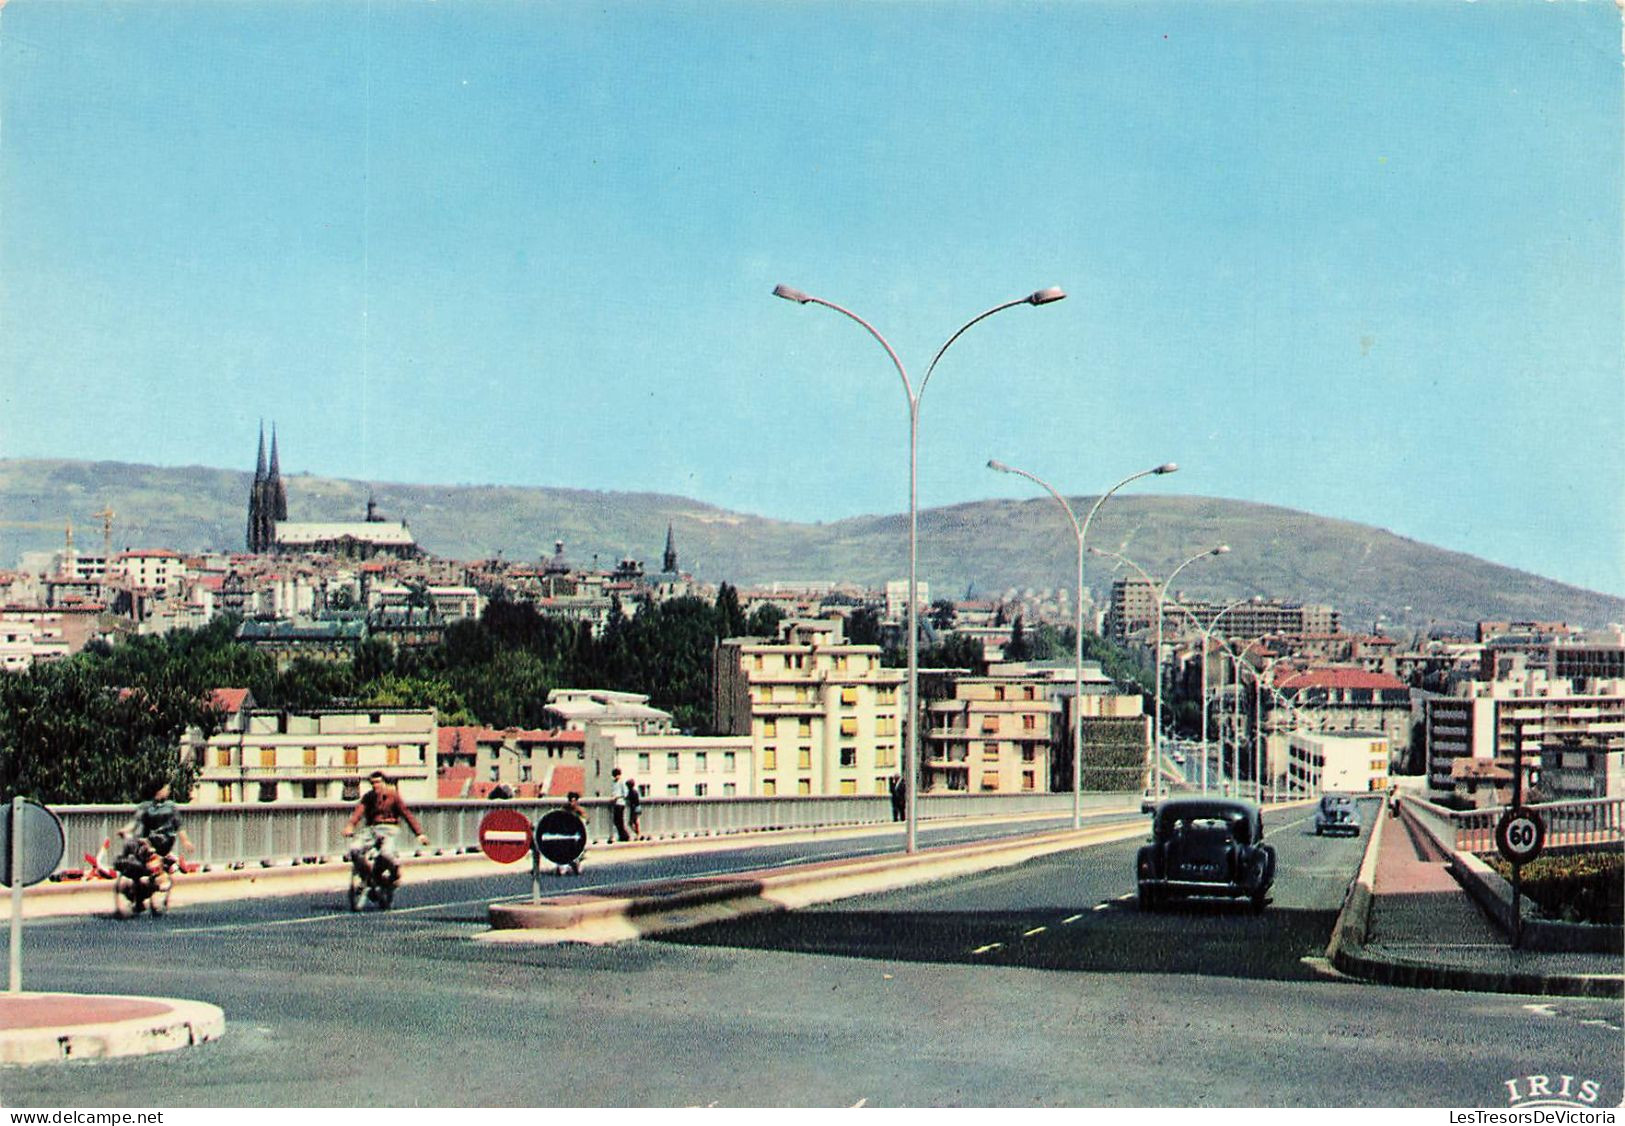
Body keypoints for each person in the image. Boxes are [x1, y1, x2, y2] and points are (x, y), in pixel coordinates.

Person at [343, 771, 429, 886]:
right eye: (373, 783)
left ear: (384, 783)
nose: (375, 785)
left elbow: (406, 814)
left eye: (378, 782)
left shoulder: (393, 796)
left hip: (390, 829)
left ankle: (395, 873)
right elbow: (358, 812)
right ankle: (366, 876)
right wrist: (350, 826)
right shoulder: (368, 797)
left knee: (386, 854)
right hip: (372, 829)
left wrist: (419, 834)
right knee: (354, 849)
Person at [120, 779, 194, 871]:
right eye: (166, 789)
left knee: (145, 843)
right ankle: (169, 862)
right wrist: (125, 830)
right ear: (159, 791)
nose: (168, 791)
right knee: (133, 843)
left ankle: (167, 859)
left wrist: (185, 841)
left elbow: (179, 826)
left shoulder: (170, 806)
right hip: (150, 840)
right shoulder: (146, 806)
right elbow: (135, 822)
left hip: (164, 839)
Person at [556, 791, 588, 876]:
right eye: (570, 800)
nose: (572, 803)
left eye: (574, 801)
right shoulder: (565, 809)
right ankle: (563, 864)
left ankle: (577, 861)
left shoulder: (580, 810)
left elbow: (585, 820)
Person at [608, 768, 630, 842]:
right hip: (615, 804)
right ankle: (622, 835)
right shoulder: (614, 783)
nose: (616, 777)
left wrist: (617, 797)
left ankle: (625, 836)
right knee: (616, 821)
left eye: (617, 775)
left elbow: (625, 794)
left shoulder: (622, 782)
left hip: (620, 803)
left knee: (619, 821)